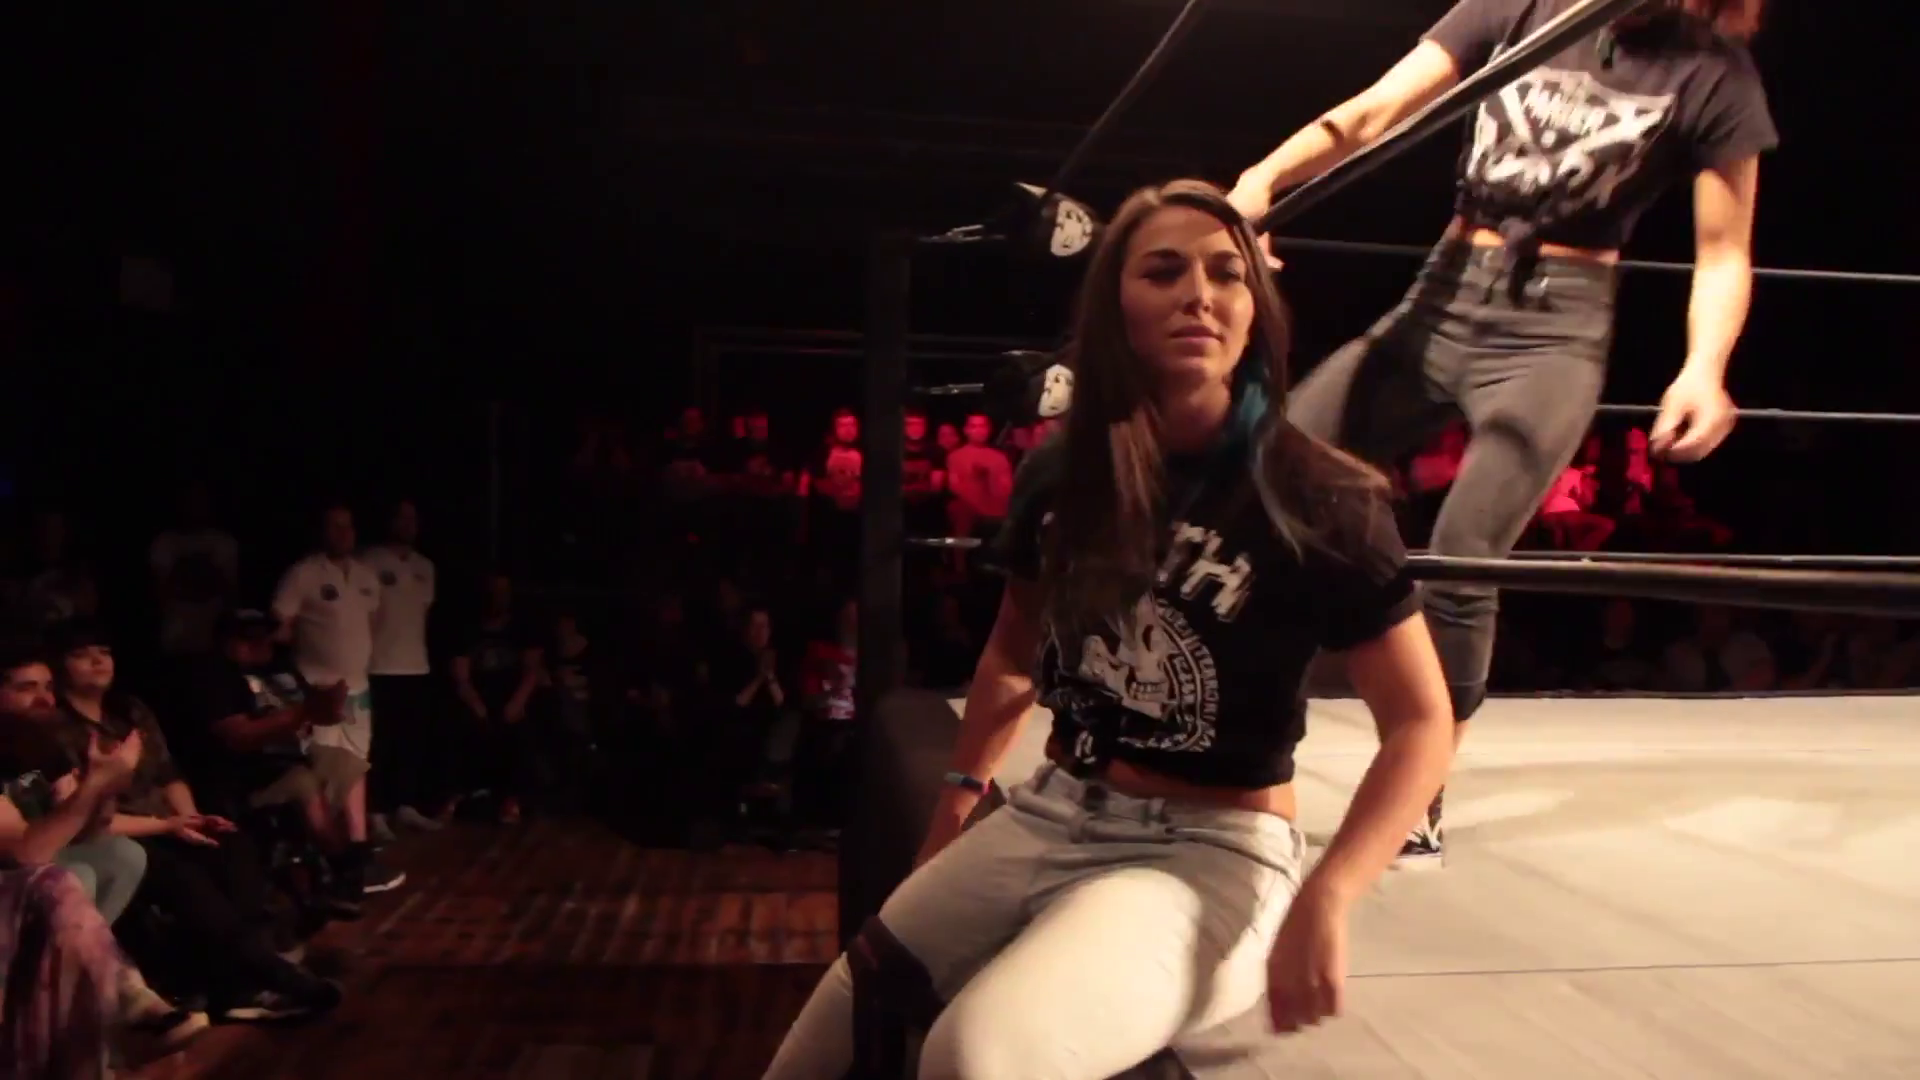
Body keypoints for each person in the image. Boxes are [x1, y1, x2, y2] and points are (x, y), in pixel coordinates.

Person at [763, 180, 1455, 1079]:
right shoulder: (1064, 472)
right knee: (838, 1024)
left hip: (1212, 847)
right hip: (1053, 807)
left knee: (975, 1057)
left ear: (1255, 308)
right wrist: (957, 802)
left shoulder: (1318, 495)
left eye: (1225, 273)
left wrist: (1331, 893)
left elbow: (1421, 721)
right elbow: (1014, 650)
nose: (1198, 294)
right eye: (1164, 272)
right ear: (1113, 305)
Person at [1227, 0, 1776, 864]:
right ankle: (1230, 736)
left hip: (1556, 331)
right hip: (1442, 294)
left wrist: (1705, 366)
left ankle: (1419, 785)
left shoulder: (1714, 73)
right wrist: (1261, 182)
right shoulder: (1515, 8)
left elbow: (1724, 250)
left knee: (1463, 556)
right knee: (1273, 472)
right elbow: (1376, 110)